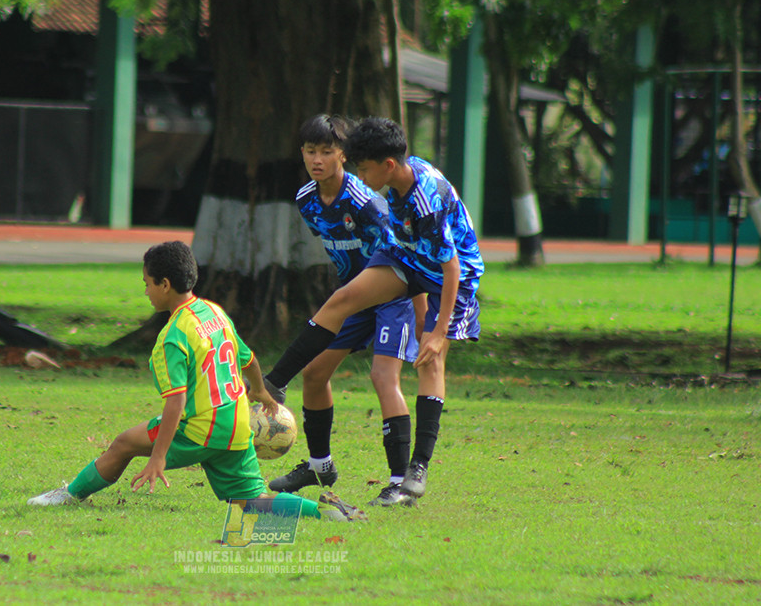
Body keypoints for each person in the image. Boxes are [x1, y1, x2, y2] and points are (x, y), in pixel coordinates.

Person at [27, 241, 366, 523]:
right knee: (254, 502)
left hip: (198, 429)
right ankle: (327, 512)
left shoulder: (172, 338)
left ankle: (69, 495)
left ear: (164, 285)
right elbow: (247, 358)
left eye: (147, 283)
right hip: (236, 426)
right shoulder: (213, 312)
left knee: (123, 445)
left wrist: (158, 457)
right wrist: (260, 390)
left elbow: (175, 402)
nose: (145, 292)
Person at [264, 116, 484, 502]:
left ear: (385, 166)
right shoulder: (388, 178)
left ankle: (411, 473)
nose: (359, 175)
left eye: (362, 168)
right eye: (311, 152)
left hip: (453, 274)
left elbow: (449, 267)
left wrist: (433, 330)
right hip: (408, 257)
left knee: (427, 363)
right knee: (340, 303)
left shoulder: (418, 201)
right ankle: (275, 384)